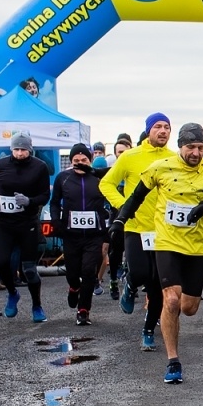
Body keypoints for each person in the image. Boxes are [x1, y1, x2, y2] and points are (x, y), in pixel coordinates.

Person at [113, 124, 203, 383]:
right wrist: (120, 220)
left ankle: (170, 316)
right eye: (191, 147)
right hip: (167, 243)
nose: (196, 153)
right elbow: (136, 197)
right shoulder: (161, 167)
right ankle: (173, 361)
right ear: (180, 146)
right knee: (171, 300)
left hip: (197, 247)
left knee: (189, 308)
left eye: (201, 148)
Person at [102, 113, 176, 349]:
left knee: (157, 284)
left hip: (163, 230)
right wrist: (123, 206)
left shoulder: (174, 158)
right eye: (158, 127)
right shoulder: (130, 156)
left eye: (167, 127)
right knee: (140, 273)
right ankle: (130, 284)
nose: (163, 131)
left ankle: (148, 330)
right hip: (135, 227)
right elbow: (106, 183)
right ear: (148, 130)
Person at [0, 132, 53, 323]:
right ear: (11, 149)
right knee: (1, 262)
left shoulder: (39, 167)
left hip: (27, 223)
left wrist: (30, 201)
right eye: (16, 149)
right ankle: (12, 293)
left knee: (29, 269)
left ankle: (37, 305)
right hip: (3, 223)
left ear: (30, 149)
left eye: (23, 149)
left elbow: (45, 195)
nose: (20, 153)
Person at [49, 143, 111, 325]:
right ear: (71, 161)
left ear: (90, 161)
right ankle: (74, 287)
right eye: (76, 160)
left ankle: (83, 310)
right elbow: (54, 202)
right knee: (73, 272)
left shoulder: (99, 178)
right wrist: (56, 220)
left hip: (94, 235)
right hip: (71, 234)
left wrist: (107, 223)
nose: (80, 163)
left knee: (89, 271)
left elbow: (111, 197)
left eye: (84, 160)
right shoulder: (63, 178)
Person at [104, 133, 134, 298]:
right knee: (115, 251)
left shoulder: (136, 170)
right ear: (115, 154)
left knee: (132, 252)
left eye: (125, 151)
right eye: (119, 152)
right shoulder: (112, 171)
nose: (122, 155)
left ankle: (130, 282)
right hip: (116, 216)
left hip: (134, 217)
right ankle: (114, 280)